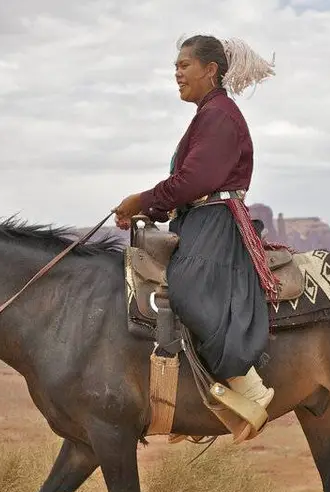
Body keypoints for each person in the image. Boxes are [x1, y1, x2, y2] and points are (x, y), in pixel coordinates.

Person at [113, 34, 278, 421]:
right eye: (175, 66)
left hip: (216, 221)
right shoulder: (209, 113)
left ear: (211, 70)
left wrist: (143, 200)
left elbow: (194, 180)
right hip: (199, 217)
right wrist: (149, 210)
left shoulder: (219, 114)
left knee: (186, 287)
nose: (177, 73)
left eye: (184, 65)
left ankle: (245, 381)